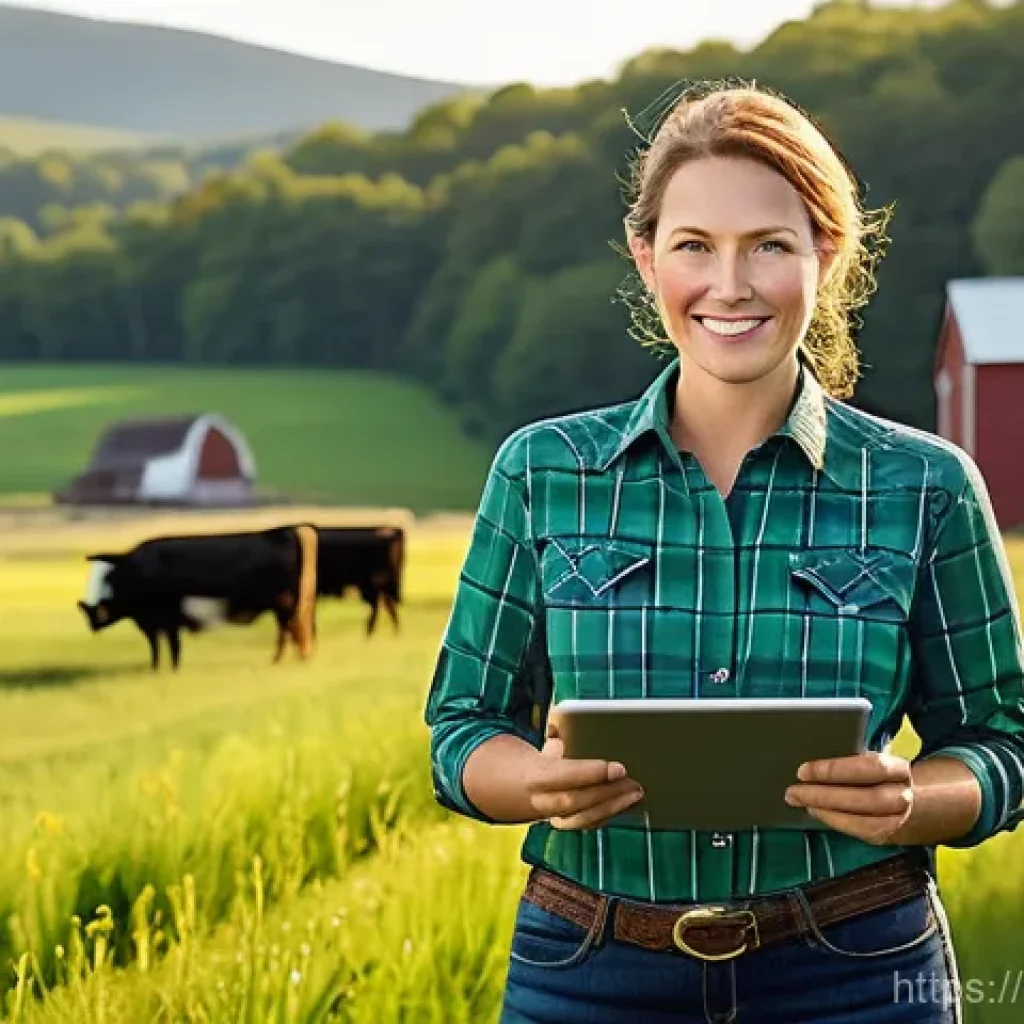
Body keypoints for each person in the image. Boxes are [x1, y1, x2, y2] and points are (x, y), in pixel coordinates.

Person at [423, 81, 1024, 1024]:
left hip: (858, 969)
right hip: (588, 967)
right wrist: (528, 782)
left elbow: (1004, 741)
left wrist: (914, 798)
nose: (730, 285)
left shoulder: (929, 487)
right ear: (645, 256)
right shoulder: (542, 472)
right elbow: (461, 727)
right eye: (694, 246)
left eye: (769, 246)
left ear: (827, 253)